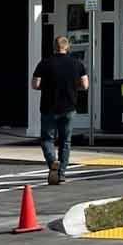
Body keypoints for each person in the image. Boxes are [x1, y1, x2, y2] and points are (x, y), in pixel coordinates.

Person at [32, 35, 88, 184]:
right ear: (67, 47)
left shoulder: (44, 63)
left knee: (47, 139)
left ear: (54, 47)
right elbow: (85, 85)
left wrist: (48, 86)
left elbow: (35, 84)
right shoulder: (77, 63)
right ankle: (62, 173)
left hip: (48, 107)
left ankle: (52, 162)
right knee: (65, 141)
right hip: (69, 107)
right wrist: (72, 87)